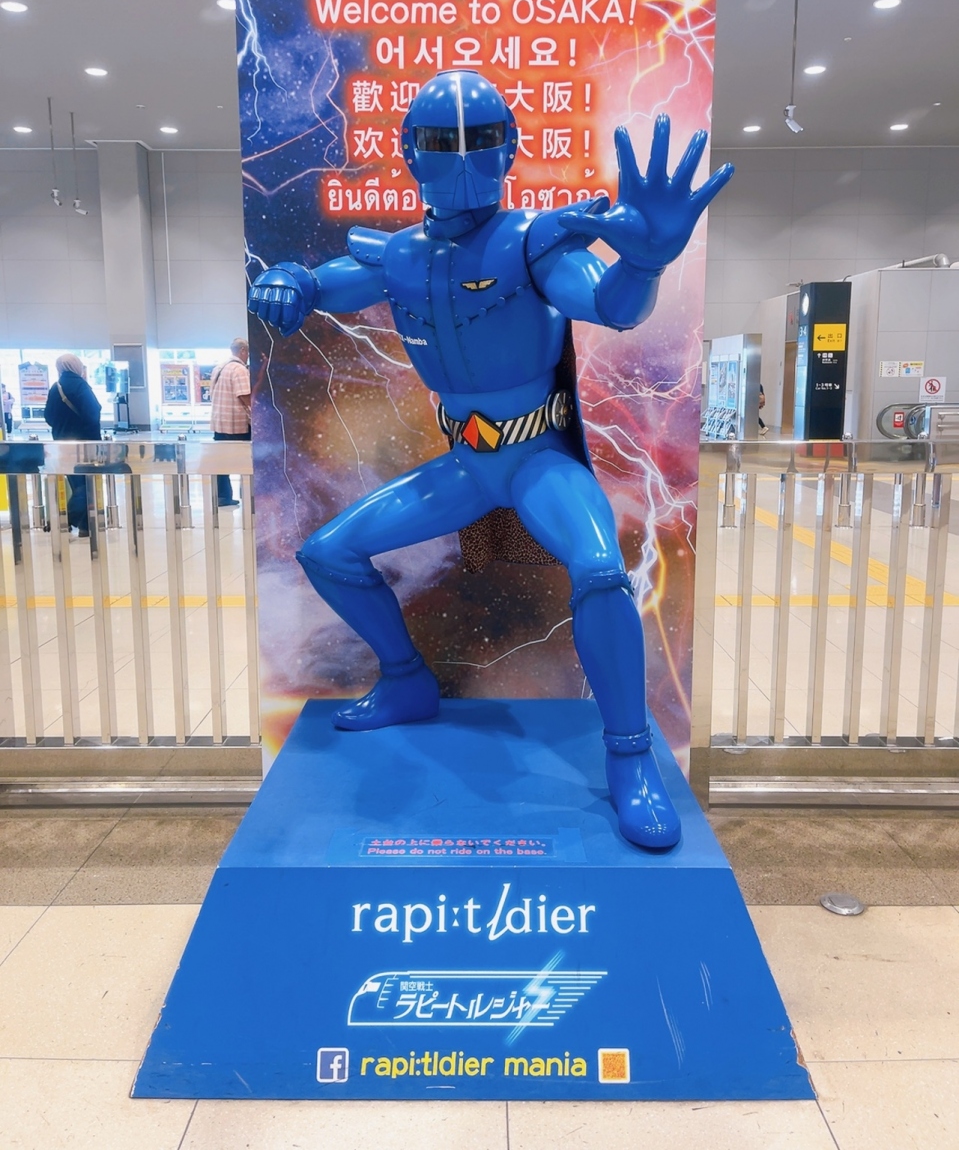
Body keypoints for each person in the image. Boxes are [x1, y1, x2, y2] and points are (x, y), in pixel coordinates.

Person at [249, 69, 733, 851]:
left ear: (508, 149)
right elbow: (325, 284)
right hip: (468, 465)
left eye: (479, 140)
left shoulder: (534, 244)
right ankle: (406, 682)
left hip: (539, 460)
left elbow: (606, 303)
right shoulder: (401, 255)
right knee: (329, 553)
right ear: (409, 151)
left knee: (600, 571)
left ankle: (629, 757)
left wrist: (643, 263)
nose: (462, 158)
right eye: (441, 141)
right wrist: (287, 280)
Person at [43, 354, 102, 536]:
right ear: (77, 366)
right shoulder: (80, 385)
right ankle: (66, 518)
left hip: (62, 443)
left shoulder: (56, 387)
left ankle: (86, 526)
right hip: (84, 443)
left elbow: (48, 417)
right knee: (87, 483)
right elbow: (93, 413)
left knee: (77, 483)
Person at [210, 338, 251, 507]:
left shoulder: (219, 368)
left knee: (221, 463)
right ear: (242, 351)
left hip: (219, 423)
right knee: (247, 462)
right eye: (248, 352)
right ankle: (249, 496)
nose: (248, 356)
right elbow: (245, 396)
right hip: (236, 424)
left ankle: (223, 496)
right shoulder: (239, 369)